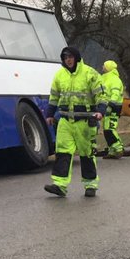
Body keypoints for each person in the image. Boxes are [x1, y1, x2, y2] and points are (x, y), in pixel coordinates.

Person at [43, 46, 107, 198]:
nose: (68, 60)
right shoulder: (59, 75)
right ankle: (60, 185)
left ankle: (90, 185)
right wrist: (50, 114)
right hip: (65, 121)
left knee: (87, 154)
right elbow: (54, 97)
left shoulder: (90, 73)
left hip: (85, 122)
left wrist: (100, 111)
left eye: (70, 57)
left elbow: (102, 96)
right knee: (63, 152)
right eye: (65, 58)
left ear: (76, 57)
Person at [99, 60, 126, 159]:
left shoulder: (115, 79)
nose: (102, 67)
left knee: (110, 129)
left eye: (104, 65)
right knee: (107, 130)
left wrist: (110, 106)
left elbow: (115, 94)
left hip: (114, 108)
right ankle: (112, 151)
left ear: (108, 67)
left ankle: (118, 148)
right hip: (106, 107)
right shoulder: (104, 78)